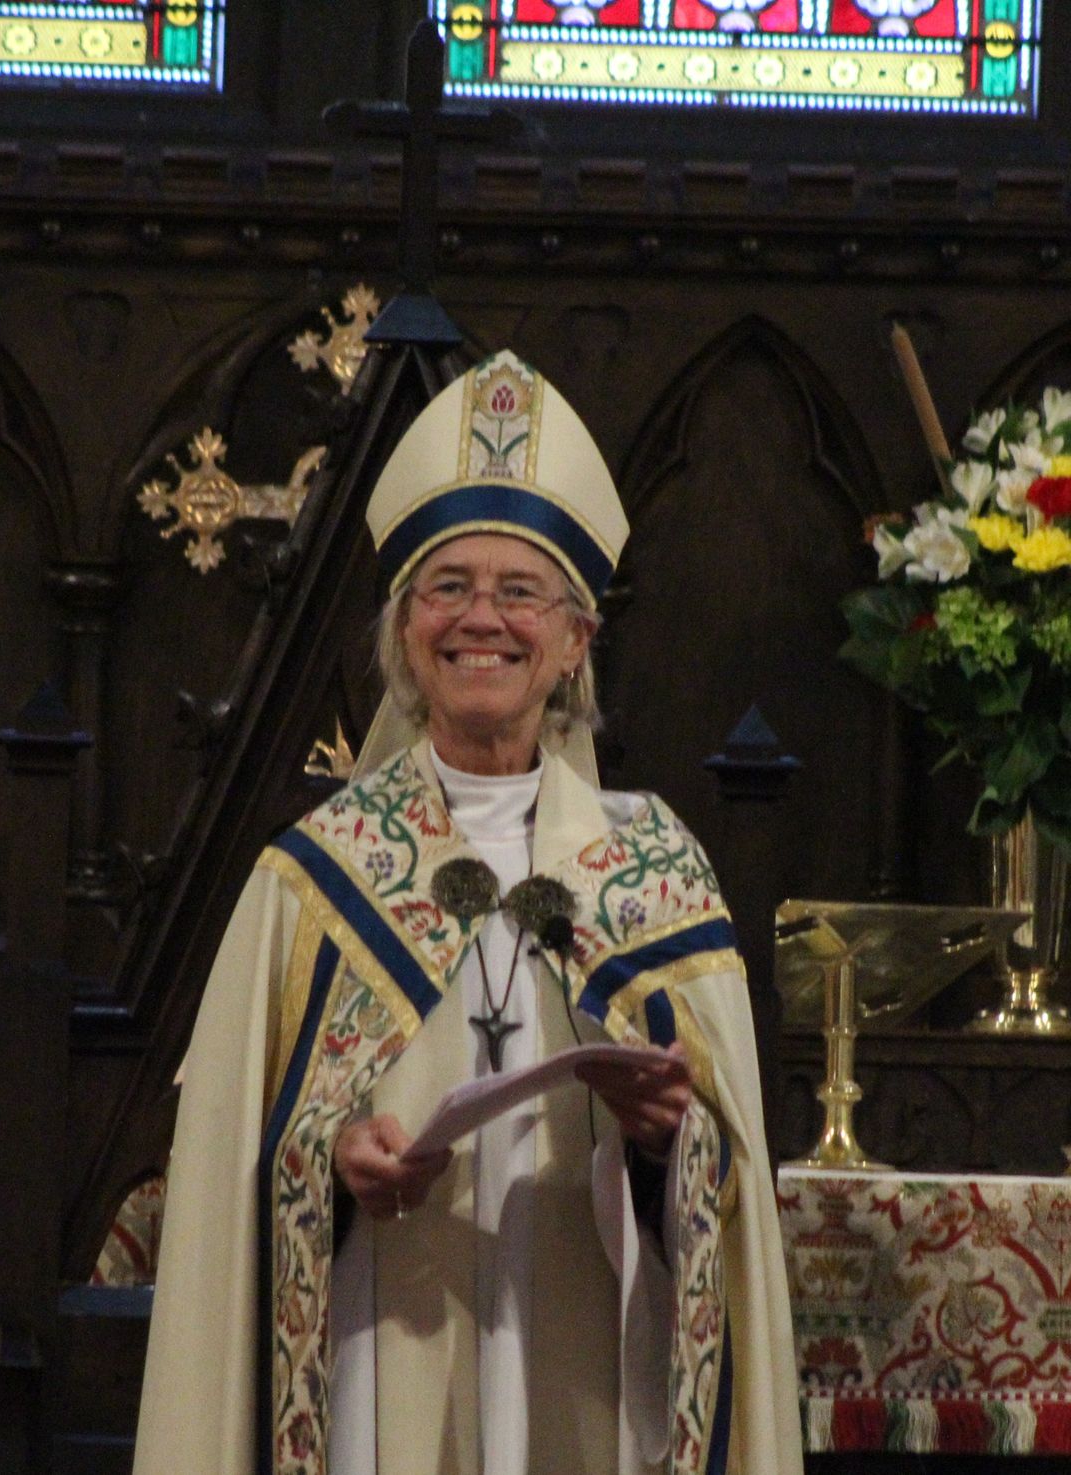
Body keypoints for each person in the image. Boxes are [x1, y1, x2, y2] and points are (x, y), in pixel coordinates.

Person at [133, 350, 803, 1475]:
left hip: (589, 1364)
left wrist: (660, 1145)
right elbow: (219, 1197)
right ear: (403, 631)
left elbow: (728, 1214)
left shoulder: (652, 870)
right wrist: (328, 1164)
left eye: (519, 590)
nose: (479, 618)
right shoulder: (312, 880)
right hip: (381, 1348)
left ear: (576, 640)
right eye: (446, 586)